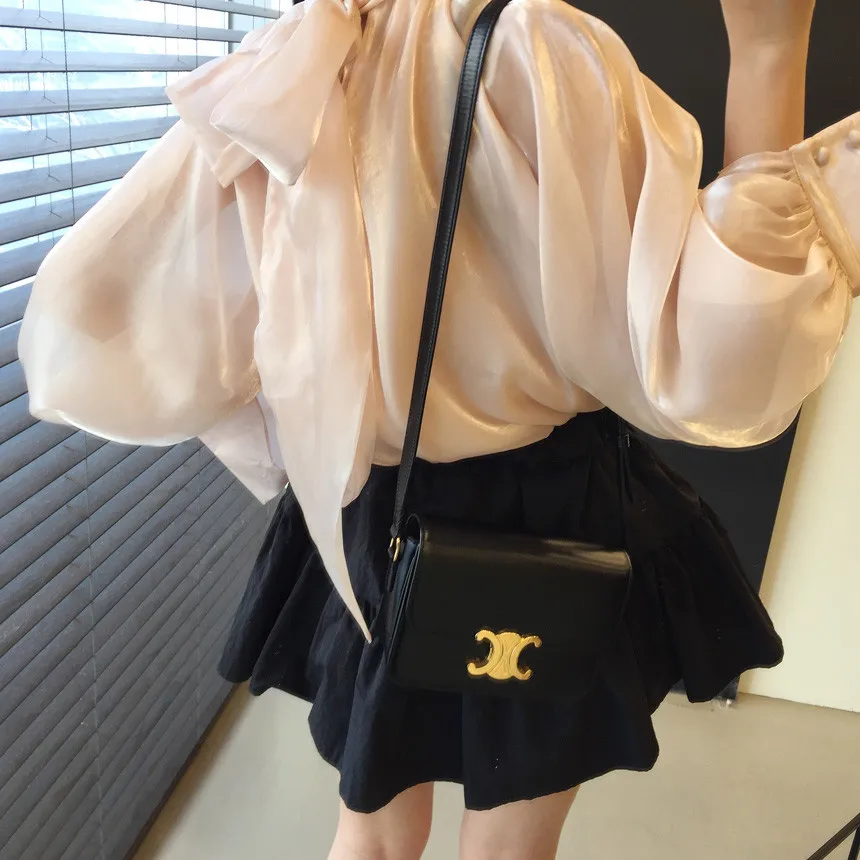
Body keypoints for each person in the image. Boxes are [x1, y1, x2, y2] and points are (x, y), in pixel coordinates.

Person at [18, 0, 859, 856]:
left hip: (376, 502)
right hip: (550, 508)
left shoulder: (299, 57)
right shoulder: (543, 49)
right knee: (506, 843)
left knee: (373, 831)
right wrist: (770, 50)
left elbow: (114, 314)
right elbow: (721, 352)